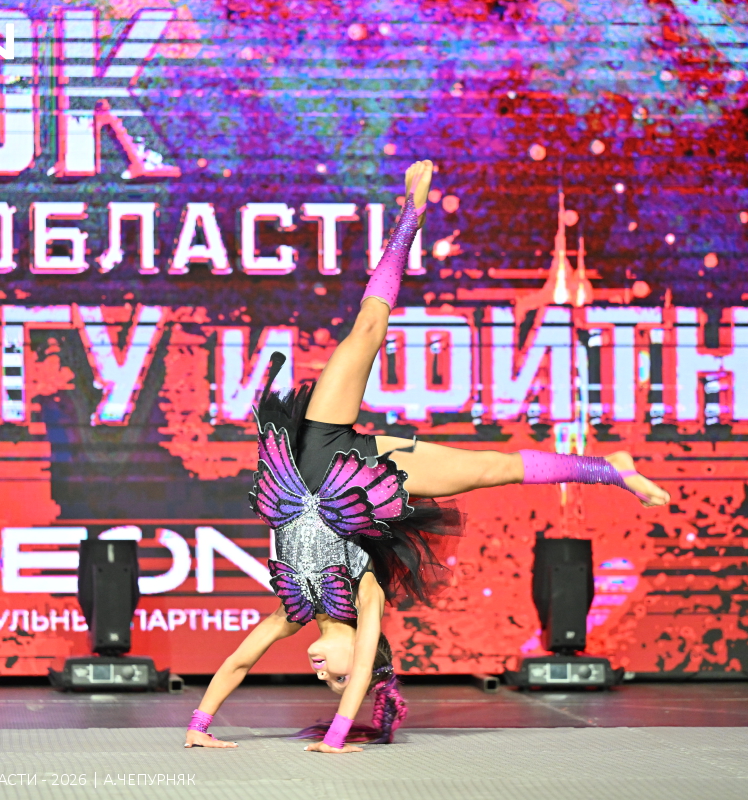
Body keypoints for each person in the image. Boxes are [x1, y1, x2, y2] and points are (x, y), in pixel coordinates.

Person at [185, 160, 670, 754]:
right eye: (334, 680)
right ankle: (609, 468)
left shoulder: (292, 610)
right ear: (360, 661)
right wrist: (338, 734)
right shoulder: (364, 596)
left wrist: (198, 726)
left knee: (366, 328)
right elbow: (362, 675)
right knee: (492, 469)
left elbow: (238, 661)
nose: (322, 674)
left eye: (325, 681)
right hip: (363, 480)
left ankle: (408, 217)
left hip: (312, 452)